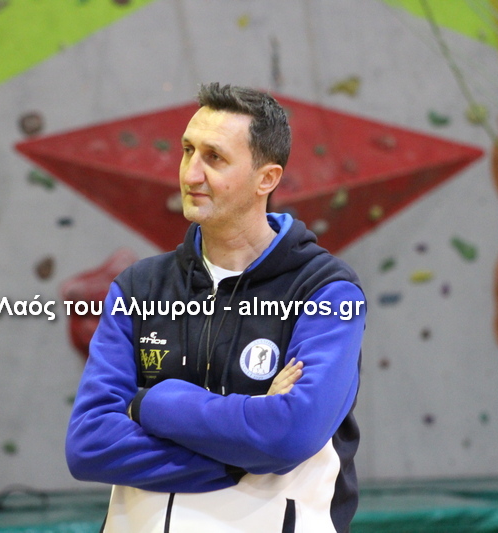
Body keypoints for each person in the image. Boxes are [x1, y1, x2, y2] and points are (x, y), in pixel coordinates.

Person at [66, 83, 366, 532]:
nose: (190, 175)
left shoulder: (327, 291)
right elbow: (89, 445)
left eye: (215, 158)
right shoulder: (138, 288)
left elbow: (291, 434)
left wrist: (152, 403)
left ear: (267, 179)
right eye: (188, 151)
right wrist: (245, 450)